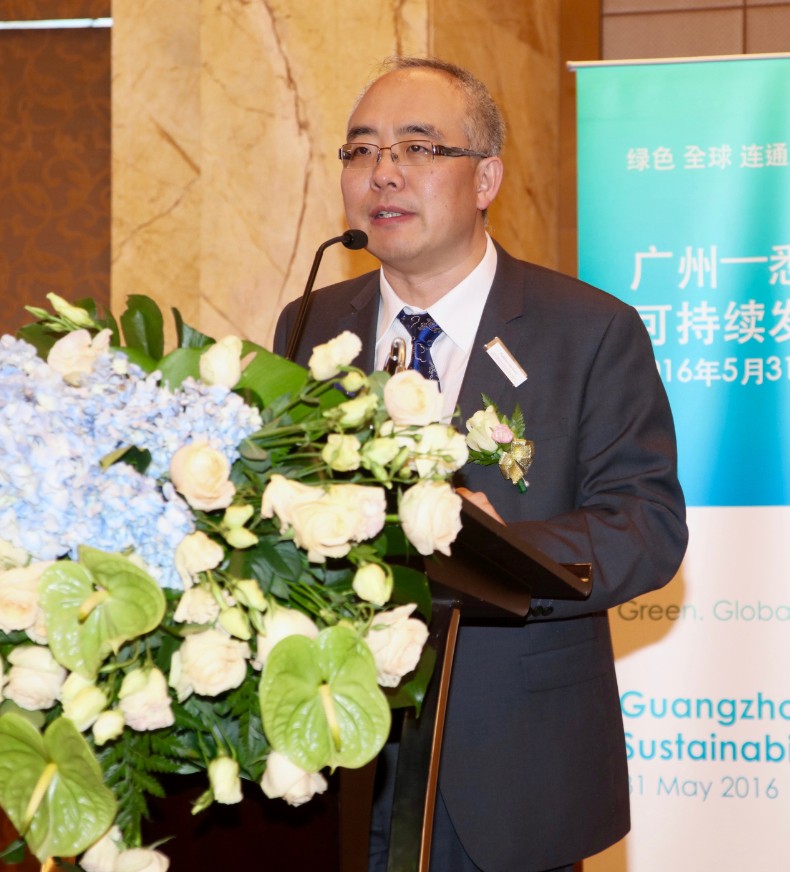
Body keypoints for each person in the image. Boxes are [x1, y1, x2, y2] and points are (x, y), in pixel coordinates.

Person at [273, 56, 687, 872]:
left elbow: (648, 526)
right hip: (334, 760)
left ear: (486, 177)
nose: (383, 174)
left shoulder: (588, 331)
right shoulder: (313, 322)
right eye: (361, 152)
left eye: (419, 149)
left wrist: (513, 550)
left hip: (512, 766)